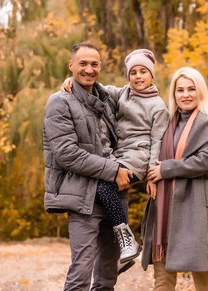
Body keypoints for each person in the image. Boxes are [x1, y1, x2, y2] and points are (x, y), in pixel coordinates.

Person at [63, 49, 170, 265]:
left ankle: (126, 238)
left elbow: (158, 141)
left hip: (138, 157)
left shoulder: (158, 106)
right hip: (119, 155)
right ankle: (124, 242)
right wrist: (71, 81)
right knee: (103, 187)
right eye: (134, 73)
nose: (138, 77)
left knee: (103, 186)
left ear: (152, 75)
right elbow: (97, 89)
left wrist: (151, 176)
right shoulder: (124, 93)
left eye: (143, 72)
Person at [43, 41, 133, 290]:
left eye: (94, 64)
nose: (89, 69)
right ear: (71, 65)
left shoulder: (107, 99)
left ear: (100, 66)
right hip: (84, 198)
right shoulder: (59, 103)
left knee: (107, 277)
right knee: (80, 274)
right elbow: (66, 154)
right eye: (83, 63)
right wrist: (113, 170)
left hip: (115, 196)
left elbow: (138, 90)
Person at [143, 67, 208, 290]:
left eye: (191, 89)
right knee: (162, 280)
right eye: (180, 90)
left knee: (203, 281)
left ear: (200, 91)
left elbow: (205, 162)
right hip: (165, 206)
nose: (186, 94)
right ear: (174, 94)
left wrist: (166, 170)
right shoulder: (165, 122)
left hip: (196, 208)